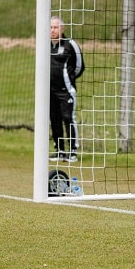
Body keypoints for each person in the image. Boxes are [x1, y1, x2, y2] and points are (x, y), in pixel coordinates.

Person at [49, 16, 85, 162]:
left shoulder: (70, 45)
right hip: (50, 91)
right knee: (54, 119)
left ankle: (73, 152)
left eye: (55, 27)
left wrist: (68, 79)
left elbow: (79, 66)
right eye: (50, 27)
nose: (52, 30)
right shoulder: (44, 45)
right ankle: (59, 150)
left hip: (66, 91)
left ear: (62, 29)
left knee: (68, 118)